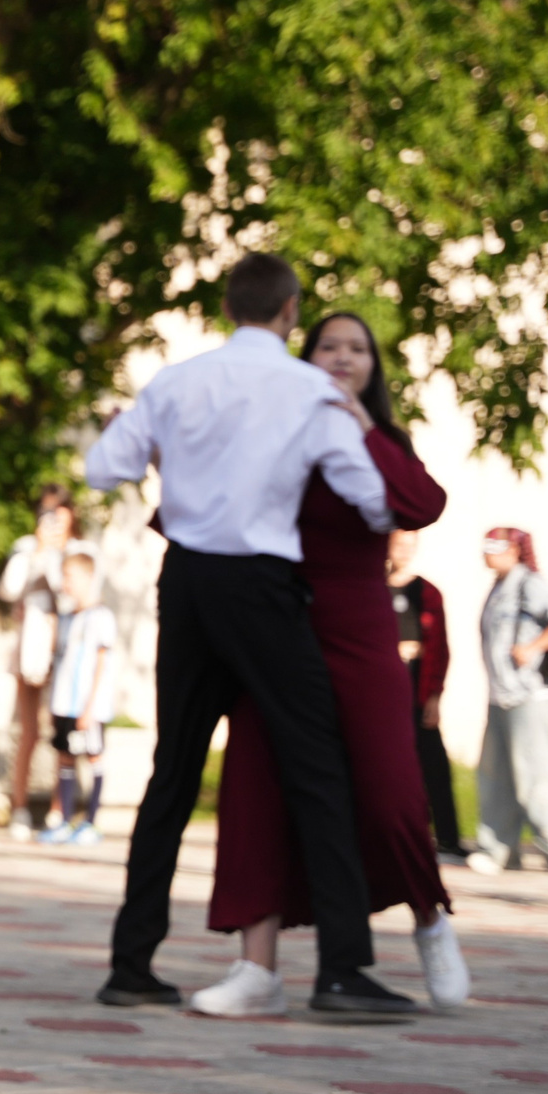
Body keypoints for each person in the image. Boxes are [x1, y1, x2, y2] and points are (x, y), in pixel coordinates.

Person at [83, 252, 416, 1016]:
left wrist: (175, 460)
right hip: (264, 586)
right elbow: (372, 500)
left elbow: (105, 468)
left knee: (173, 771)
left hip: (189, 579)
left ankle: (131, 961)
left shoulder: (176, 380)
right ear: (291, 309)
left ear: (231, 305)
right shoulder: (310, 389)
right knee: (316, 766)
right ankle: (340, 966)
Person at [195, 311, 467, 1016]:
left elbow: (423, 503)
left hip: (359, 622)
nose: (342, 356)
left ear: (372, 367)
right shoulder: (272, 425)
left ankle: (430, 918)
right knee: (255, 783)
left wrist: (364, 431)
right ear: (303, 353)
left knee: (391, 789)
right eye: (328, 345)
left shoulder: (380, 436)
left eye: (357, 348)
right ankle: (257, 968)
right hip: (277, 621)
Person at [469, 525, 548, 879]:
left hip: (528, 694)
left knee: (536, 775)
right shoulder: (498, 587)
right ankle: (499, 850)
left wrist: (532, 647)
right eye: (485, 544)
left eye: (496, 545)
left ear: (517, 550)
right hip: (500, 696)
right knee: (495, 775)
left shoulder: (528, 583)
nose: (488, 551)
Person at [0, 484, 92, 837]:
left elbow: (77, 599)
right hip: (32, 644)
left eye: (59, 510)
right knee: (28, 728)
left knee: (61, 727)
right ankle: (19, 807)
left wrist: (55, 564)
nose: (52, 519)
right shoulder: (26, 547)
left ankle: (59, 808)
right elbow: (8, 590)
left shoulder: (83, 551)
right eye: (46, 511)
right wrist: (37, 553)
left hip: (68, 644)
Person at [387, 529, 463, 861]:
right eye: (398, 543)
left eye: (410, 545)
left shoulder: (427, 592)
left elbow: (440, 648)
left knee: (432, 762)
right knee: (386, 762)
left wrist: (434, 697)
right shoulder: (373, 588)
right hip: (384, 687)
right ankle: (388, 834)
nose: (404, 550)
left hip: (417, 686)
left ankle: (447, 836)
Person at [40, 550, 115, 846]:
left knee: (93, 756)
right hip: (64, 703)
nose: (65, 583)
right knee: (65, 757)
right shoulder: (67, 617)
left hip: (88, 706)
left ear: (88, 577)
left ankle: (91, 822)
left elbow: (101, 664)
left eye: (70, 576)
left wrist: (90, 707)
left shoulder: (101, 617)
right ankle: (65, 820)